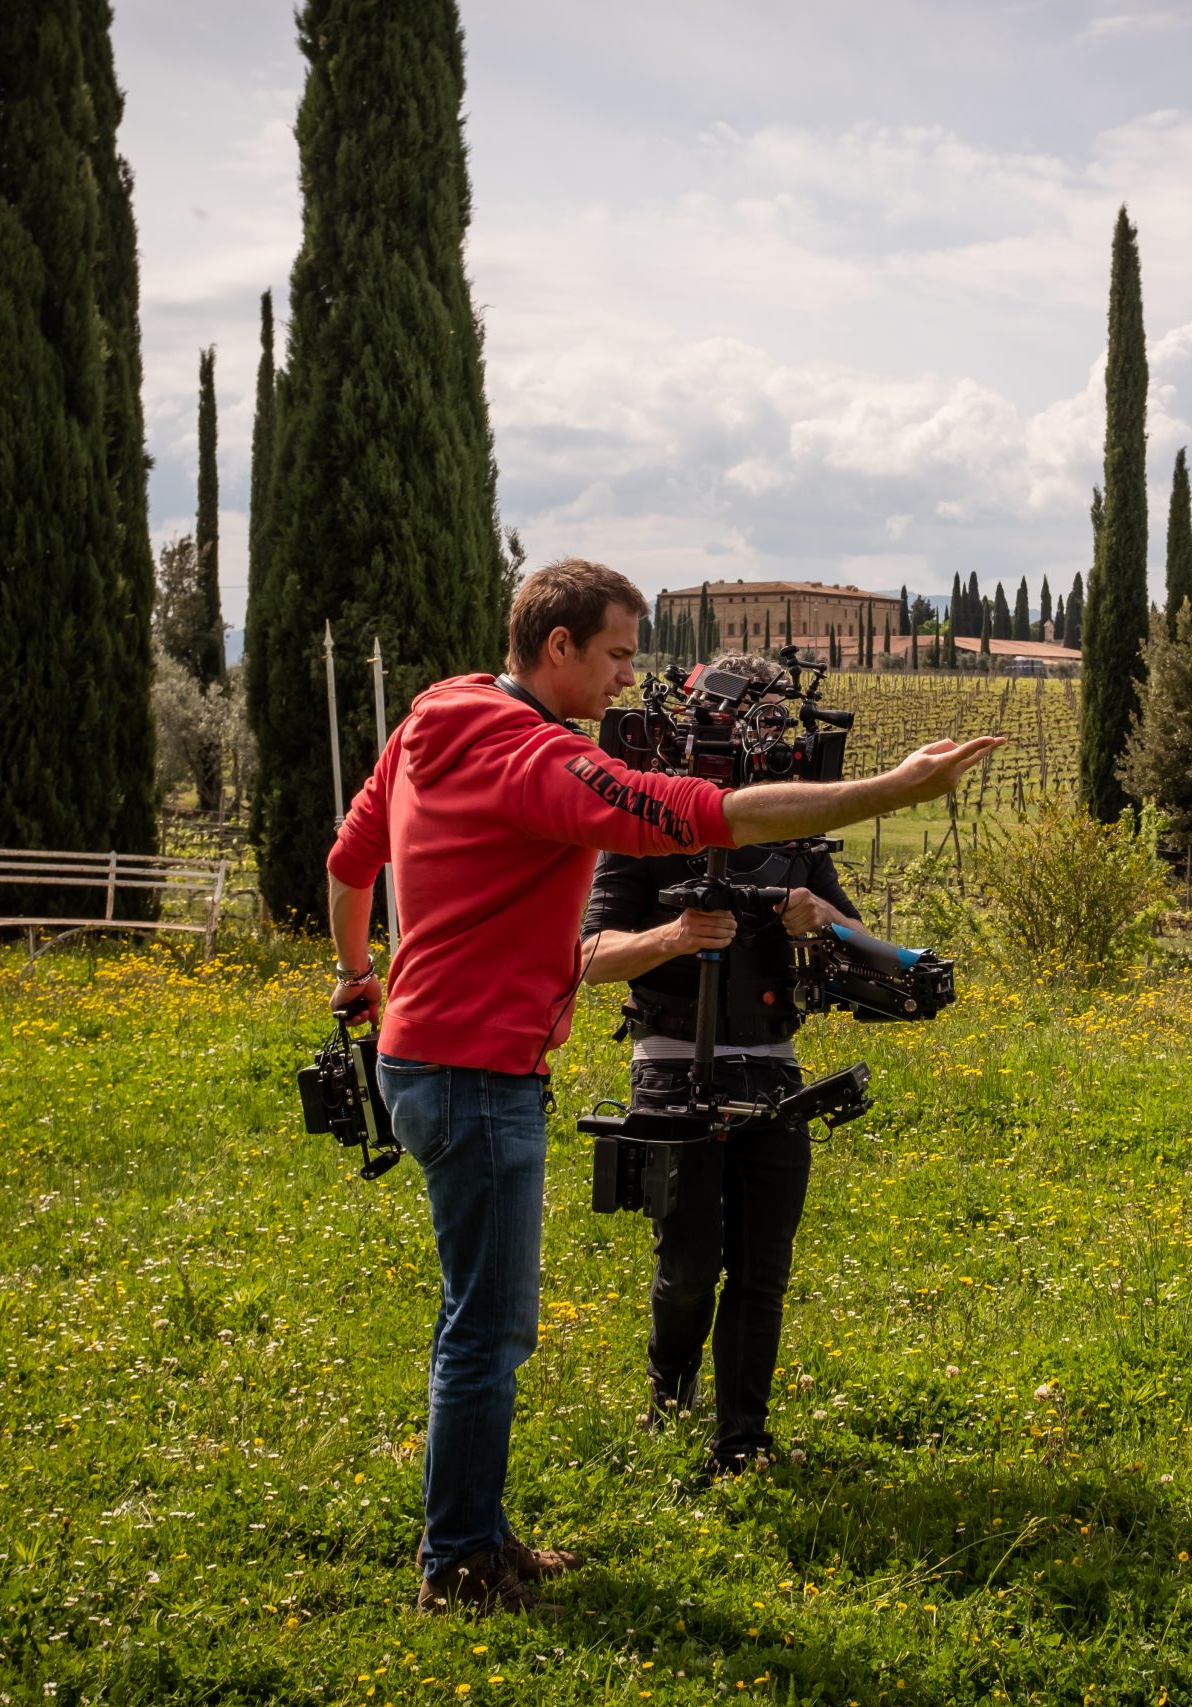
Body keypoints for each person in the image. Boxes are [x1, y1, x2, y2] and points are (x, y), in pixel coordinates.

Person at [323, 560, 1001, 1618]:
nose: (626, 680)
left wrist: (361, 975)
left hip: (423, 1054)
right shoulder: (533, 753)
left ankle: (477, 1528)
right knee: (486, 1332)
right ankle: (458, 1563)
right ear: (558, 650)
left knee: (480, 1322)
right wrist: (892, 790)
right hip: (474, 1071)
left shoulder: (435, 715)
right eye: (617, 656)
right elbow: (698, 811)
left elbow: (351, 855)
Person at [578, 653, 864, 1474]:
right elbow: (588, 954)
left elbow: (856, 947)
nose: (767, 740)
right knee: (691, 1262)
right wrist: (673, 938)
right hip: (671, 1063)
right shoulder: (641, 825)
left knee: (761, 1269)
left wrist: (820, 921)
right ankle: (669, 1388)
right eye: (752, 722)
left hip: (774, 1069)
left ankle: (743, 1439)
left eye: (778, 723)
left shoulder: (797, 837)